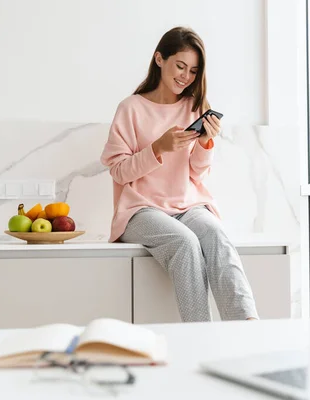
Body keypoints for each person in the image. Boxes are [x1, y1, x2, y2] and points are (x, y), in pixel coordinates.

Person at [100, 26, 258, 322]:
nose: (185, 77)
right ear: (160, 59)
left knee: (216, 234)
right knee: (185, 243)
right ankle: (200, 334)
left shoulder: (195, 107)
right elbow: (119, 171)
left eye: (193, 71)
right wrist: (158, 148)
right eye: (180, 66)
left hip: (187, 204)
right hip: (139, 209)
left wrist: (205, 142)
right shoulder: (131, 108)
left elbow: (198, 172)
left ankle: (247, 327)